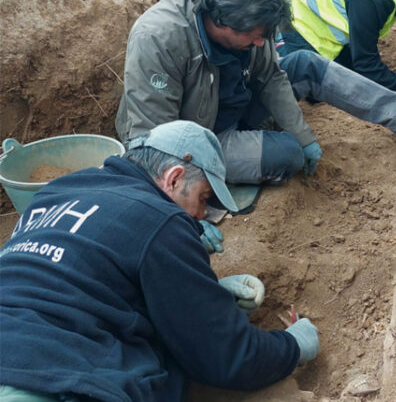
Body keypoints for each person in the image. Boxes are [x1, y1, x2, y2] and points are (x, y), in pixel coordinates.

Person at [0, 120, 320, 400]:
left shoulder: (59, 190)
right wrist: (291, 347)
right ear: (174, 179)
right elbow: (224, 356)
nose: (199, 216)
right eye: (203, 199)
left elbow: (80, 280)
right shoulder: (159, 220)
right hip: (51, 383)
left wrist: (203, 295)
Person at [116, 0, 396, 189]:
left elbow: (271, 76)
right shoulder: (159, 38)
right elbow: (151, 139)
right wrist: (177, 203)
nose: (259, 43)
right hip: (199, 138)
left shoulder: (252, 25)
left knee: (303, 63)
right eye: (254, 37)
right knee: (286, 153)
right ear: (221, 23)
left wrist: (304, 134)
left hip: (237, 103)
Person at [278, 0, 396, 102]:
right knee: (318, 92)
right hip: (302, 26)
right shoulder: (369, 1)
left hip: (345, 17)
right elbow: (366, 63)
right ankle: (278, 48)